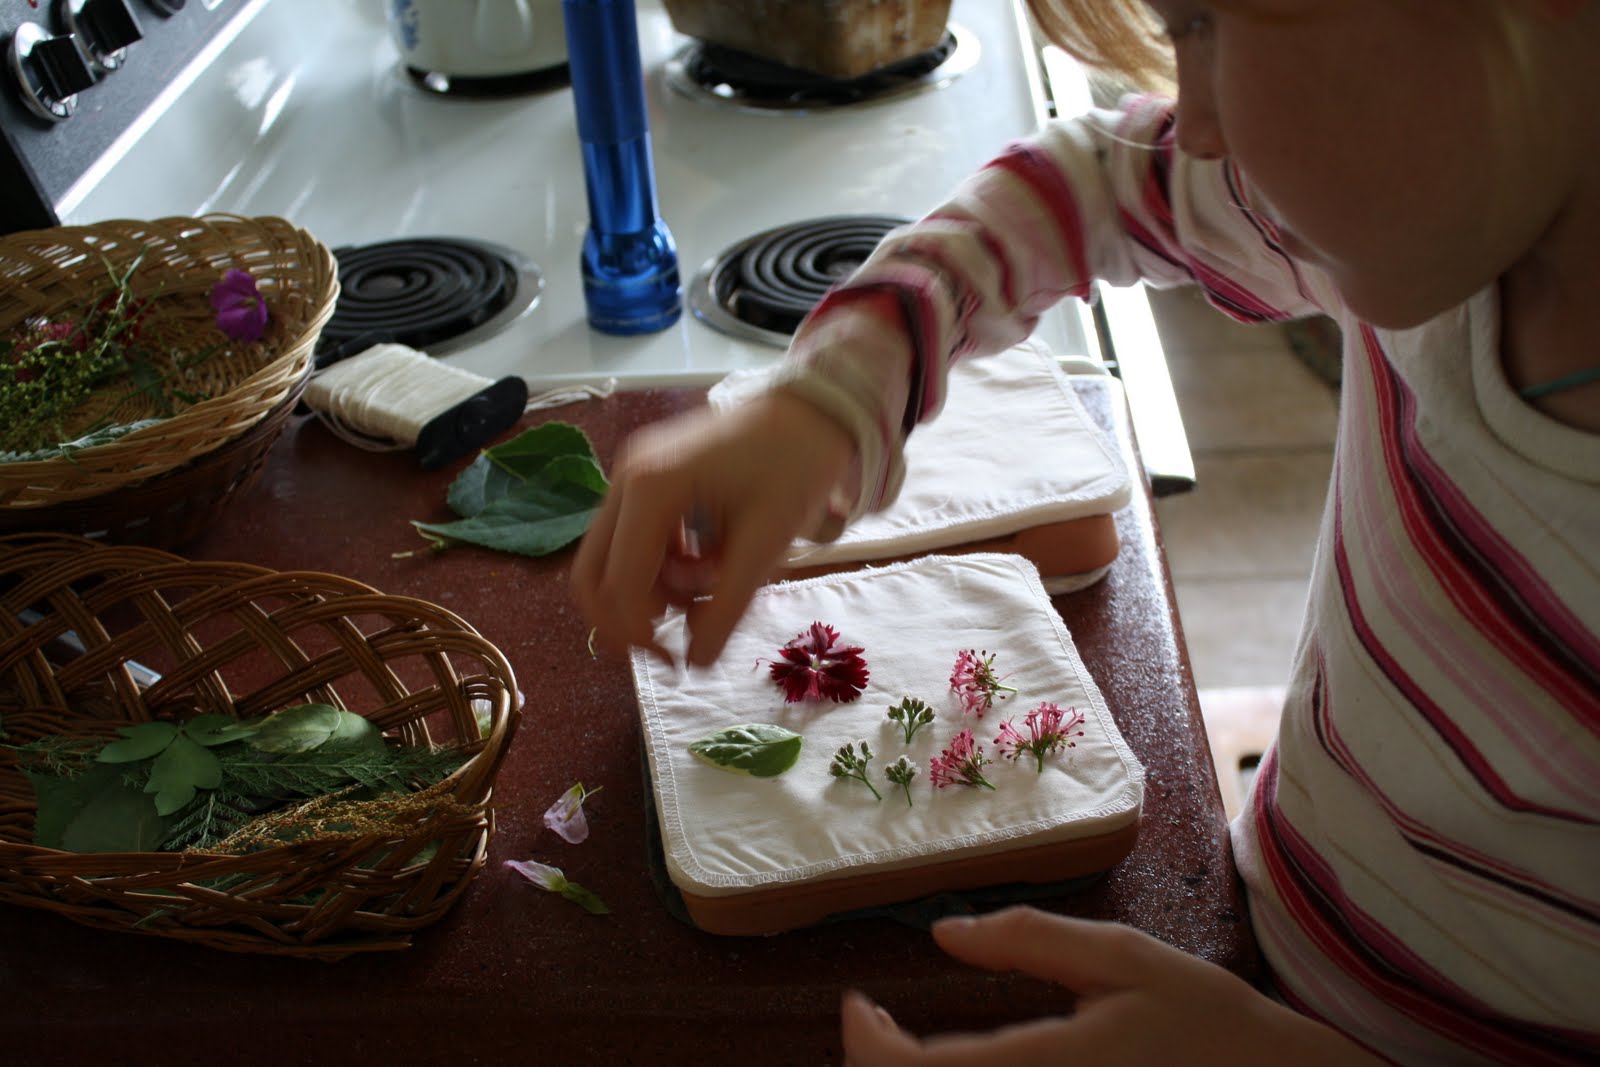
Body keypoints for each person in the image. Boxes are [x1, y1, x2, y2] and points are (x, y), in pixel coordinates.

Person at [572, 0, 1600, 1063]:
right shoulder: (1444, 193)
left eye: (1203, 22)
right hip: (1276, 935)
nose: (1195, 126)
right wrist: (829, 402)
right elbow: (1097, 182)